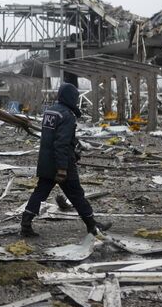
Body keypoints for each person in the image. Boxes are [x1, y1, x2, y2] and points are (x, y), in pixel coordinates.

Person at [20, 83, 111, 237]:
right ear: (71, 98)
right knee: (76, 194)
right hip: (62, 163)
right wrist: (62, 168)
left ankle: (26, 223)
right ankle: (92, 225)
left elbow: (51, 138)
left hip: (46, 161)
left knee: (39, 192)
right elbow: (61, 143)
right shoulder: (67, 116)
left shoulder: (50, 112)